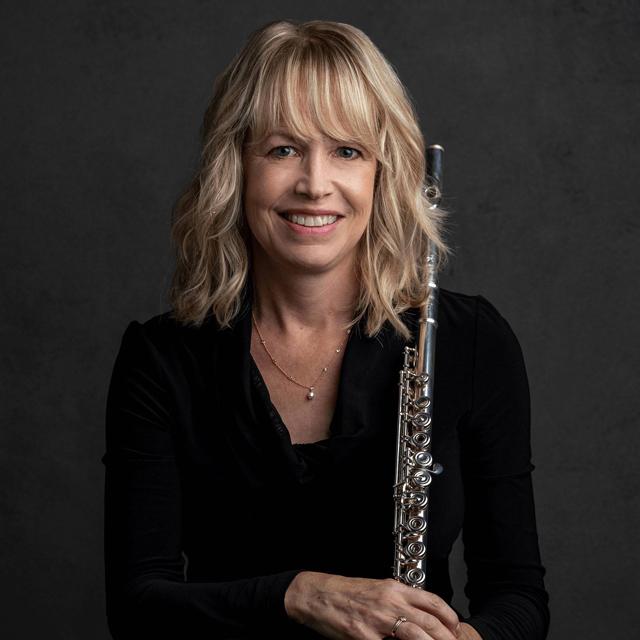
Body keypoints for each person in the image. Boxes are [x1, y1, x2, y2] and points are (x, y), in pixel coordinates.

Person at [102, 19, 549, 640]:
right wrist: (297, 594)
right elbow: (136, 606)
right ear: (237, 167)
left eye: (347, 151)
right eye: (283, 149)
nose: (315, 184)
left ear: (381, 172)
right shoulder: (164, 359)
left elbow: (518, 596)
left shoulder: (469, 340)